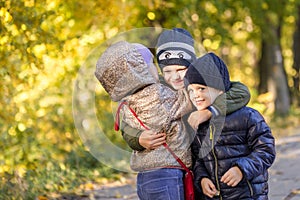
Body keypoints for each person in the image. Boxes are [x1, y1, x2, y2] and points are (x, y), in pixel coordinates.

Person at [121, 28, 251, 153]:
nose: (175, 77)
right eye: (167, 71)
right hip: (170, 159)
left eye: (181, 69)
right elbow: (128, 119)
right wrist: (138, 138)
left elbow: (240, 92)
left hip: (202, 159)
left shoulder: (201, 83)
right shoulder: (155, 88)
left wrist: (209, 112)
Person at [95, 40, 194, 200]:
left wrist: (138, 139)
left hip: (144, 177)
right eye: (153, 65)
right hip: (167, 173)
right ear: (141, 69)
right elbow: (188, 101)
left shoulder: (126, 103)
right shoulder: (158, 95)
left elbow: (127, 131)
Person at [185, 52, 276, 199]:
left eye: (202, 88)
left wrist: (241, 169)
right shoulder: (198, 122)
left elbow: (266, 150)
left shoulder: (248, 116)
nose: (195, 95)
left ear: (220, 88)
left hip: (247, 194)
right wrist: (202, 179)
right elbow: (197, 159)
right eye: (191, 90)